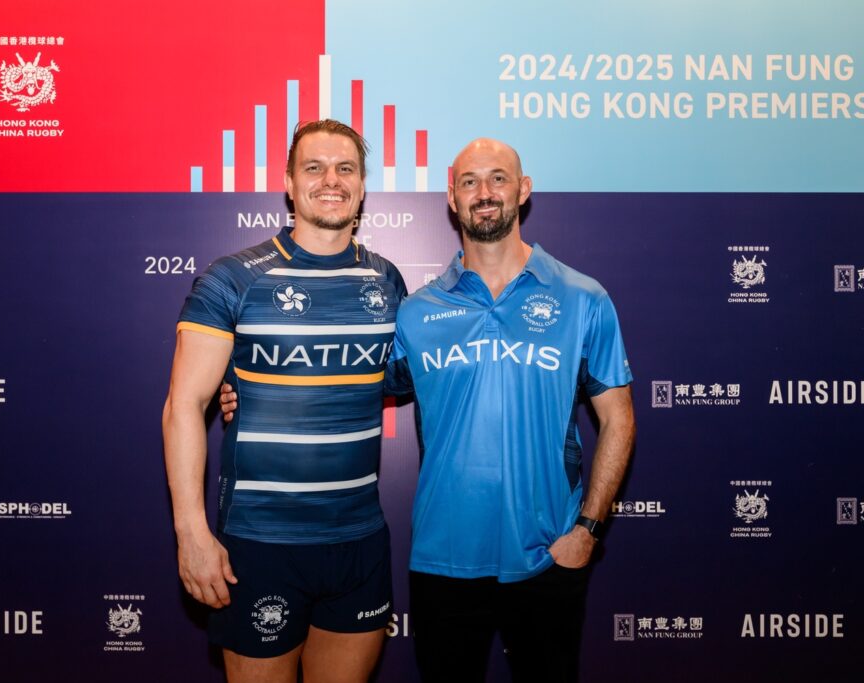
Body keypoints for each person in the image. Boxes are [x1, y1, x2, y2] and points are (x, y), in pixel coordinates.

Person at [222, 138, 635, 682]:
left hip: (547, 556)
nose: (484, 192)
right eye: (469, 181)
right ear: (451, 197)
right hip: (443, 560)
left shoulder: (583, 298)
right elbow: (350, 376)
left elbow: (619, 417)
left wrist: (587, 530)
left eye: (498, 178)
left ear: (523, 190)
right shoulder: (416, 311)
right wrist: (250, 388)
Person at [162, 119, 405, 683]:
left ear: (362, 185)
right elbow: (184, 406)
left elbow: (399, 377)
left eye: (345, 168)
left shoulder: (387, 280)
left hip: (360, 540)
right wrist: (191, 533)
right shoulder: (233, 278)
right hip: (260, 543)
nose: (331, 180)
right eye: (314, 168)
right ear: (290, 185)